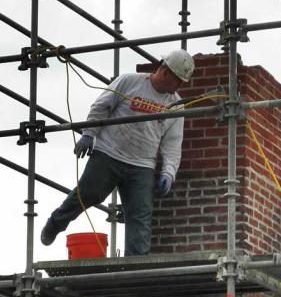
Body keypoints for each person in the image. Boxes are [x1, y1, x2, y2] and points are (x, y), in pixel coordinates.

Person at [40, 49, 195, 256]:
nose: (178, 86)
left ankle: (134, 268)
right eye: (177, 80)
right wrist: (89, 133)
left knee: (140, 216)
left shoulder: (175, 105)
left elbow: (173, 143)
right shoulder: (129, 82)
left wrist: (168, 172)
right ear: (165, 72)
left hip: (142, 165)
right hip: (108, 153)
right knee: (88, 194)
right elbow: (101, 107)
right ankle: (56, 223)